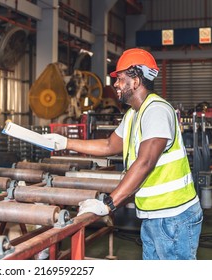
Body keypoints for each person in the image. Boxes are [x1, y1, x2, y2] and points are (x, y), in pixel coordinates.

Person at [43, 48, 203, 260]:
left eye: (120, 79)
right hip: (155, 216)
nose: (115, 85)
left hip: (173, 217)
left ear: (135, 81)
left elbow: (145, 162)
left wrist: (108, 203)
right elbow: (110, 145)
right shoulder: (133, 114)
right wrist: (66, 142)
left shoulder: (156, 110)